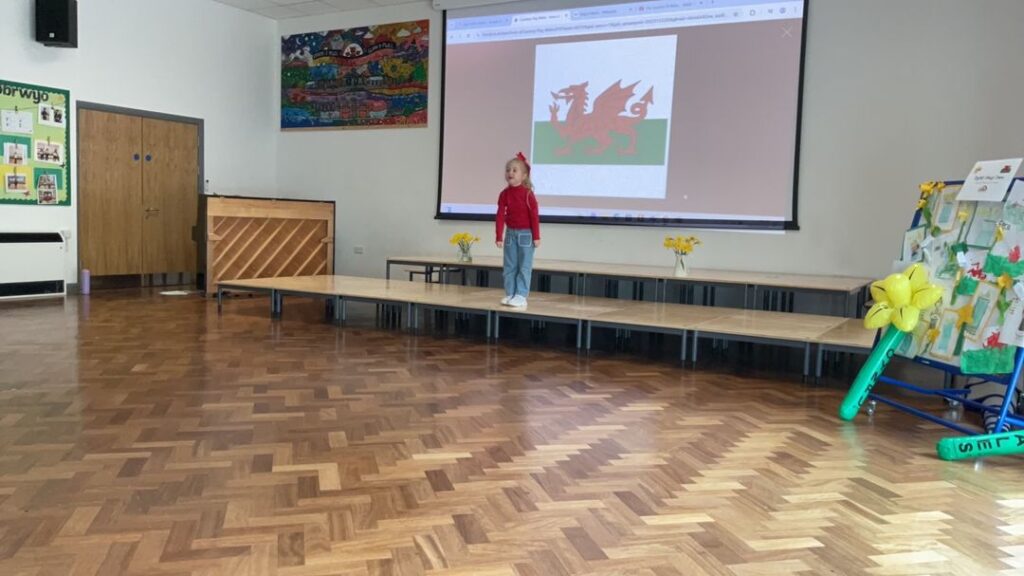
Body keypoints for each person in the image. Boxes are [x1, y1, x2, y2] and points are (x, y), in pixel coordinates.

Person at [495, 152, 540, 307]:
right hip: (510, 234)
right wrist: (499, 236)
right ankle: (510, 293)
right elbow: (500, 215)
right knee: (509, 265)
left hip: (526, 234)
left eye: (515, 170)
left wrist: (536, 236)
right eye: (508, 170)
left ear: (524, 175)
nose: (510, 173)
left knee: (524, 266)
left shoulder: (528, 194)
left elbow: (534, 215)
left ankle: (521, 295)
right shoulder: (504, 194)